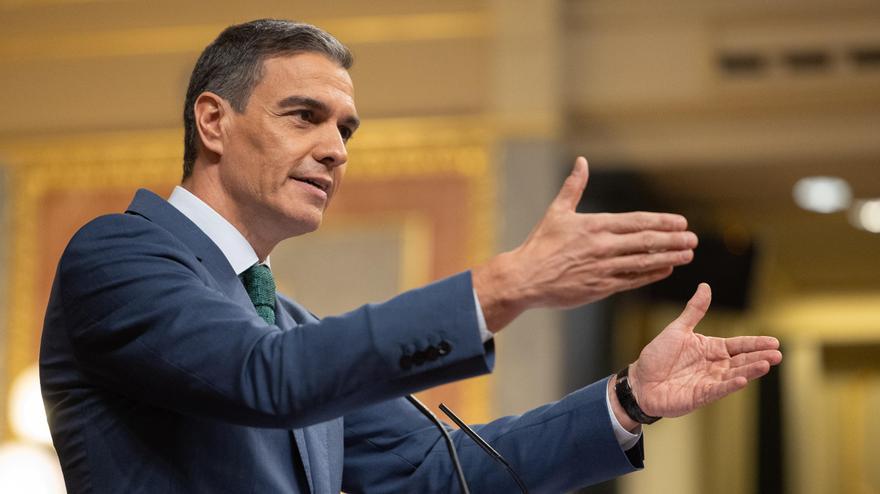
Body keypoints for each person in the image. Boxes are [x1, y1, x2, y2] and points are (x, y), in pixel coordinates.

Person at [40, 19, 782, 493]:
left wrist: (627, 400)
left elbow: (438, 470)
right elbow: (266, 380)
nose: (334, 150)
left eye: (346, 130)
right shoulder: (118, 254)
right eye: (305, 116)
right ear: (213, 121)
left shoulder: (288, 325)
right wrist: (499, 288)